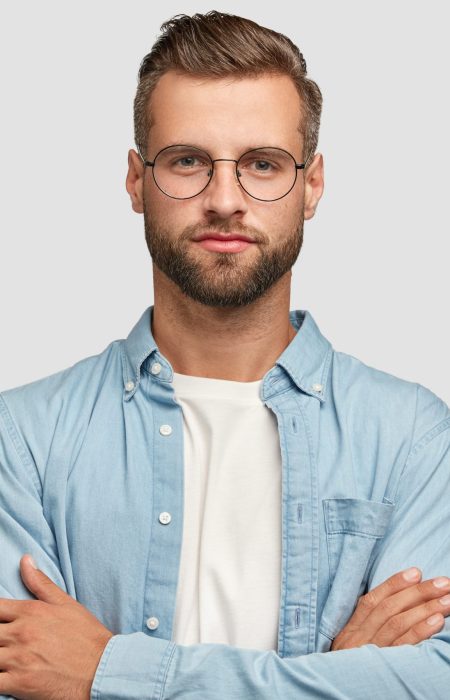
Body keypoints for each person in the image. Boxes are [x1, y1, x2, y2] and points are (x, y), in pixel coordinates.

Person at [0, 10, 449, 699]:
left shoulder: (414, 438)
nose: (224, 200)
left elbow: (434, 681)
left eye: (262, 165)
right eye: (187, 162)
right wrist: (338, 678)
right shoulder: (22, 438)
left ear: (313, 185)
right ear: (134, 180)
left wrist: (105, 673)